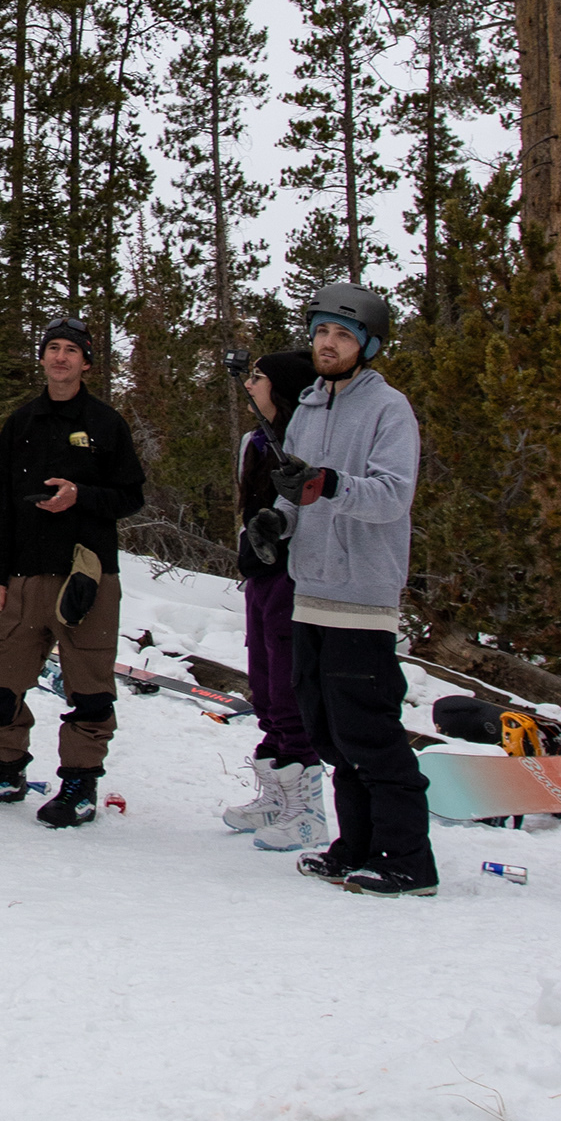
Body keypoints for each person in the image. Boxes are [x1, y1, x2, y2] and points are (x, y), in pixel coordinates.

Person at [258, 283, 431, 898]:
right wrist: (276, 521)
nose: (327, 344)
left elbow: (392, 497)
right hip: (311, 590)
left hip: (362, 593)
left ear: (368, 345)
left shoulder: (388, 409)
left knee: (370, 733)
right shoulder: (307, 408)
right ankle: (356, 846)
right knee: (331, 733)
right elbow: (295, 491)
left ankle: (409, 860)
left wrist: (330, 484)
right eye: (321, 332)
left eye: (342, 334)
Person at [0, 317, 145, 827]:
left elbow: (131, 497)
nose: (61, 357)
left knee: (89, 690)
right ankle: (5, 770)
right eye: (53, 348)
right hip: (25, 575)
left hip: (87, 577)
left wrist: (81, 496)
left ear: (87, 363)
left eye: (71, 350)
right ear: (42, 358)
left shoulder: (106, 424)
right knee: (0, 682)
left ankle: (79, 785)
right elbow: (2, 506)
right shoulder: (21, 423)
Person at [221, 349, 326, 852]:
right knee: (264, 689)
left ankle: (307, 811)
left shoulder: (305, 442)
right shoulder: (253, 442)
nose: (249, 385)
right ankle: (276, 796)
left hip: (294, 576)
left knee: (289, 690)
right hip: (259, 575)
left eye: (258, 378)